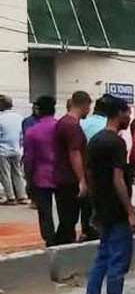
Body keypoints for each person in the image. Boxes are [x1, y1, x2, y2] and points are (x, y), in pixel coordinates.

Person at [78, 96, 135, 294]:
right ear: (119, 113)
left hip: (103, 208)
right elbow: (118, 180)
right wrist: (131, 211)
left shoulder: (95, 141)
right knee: (118, 261)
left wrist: (96, 207)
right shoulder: (116, 143)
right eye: (127, 113)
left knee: (102, 259)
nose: (129, 118)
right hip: (116, 209)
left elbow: (90, 175)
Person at [54, 91, 95, 245]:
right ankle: (60, 249)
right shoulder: (71, 125)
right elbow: (74, 153)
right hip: (69, 179)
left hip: (64, 177)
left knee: (68, 219)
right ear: (85, 105)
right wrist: (82, 180)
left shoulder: (65, 122)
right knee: (68, 219)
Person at [23, 96, 58, 246]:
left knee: (45, 213)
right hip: (61, 175)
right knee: (65, 210)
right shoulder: (60, 127)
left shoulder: (32, 132)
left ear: (38, 110)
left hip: (40, 176)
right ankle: (64, 236)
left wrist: (28, 180)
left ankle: (50, 239)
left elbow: (29, 159)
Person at [0, 95, 28, 204]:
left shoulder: (1, 118)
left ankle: (10, 197)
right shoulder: (19, 117)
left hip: (2, 150)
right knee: (17, 173)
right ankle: (22, 196)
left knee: (5, 174)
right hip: (17, 149)